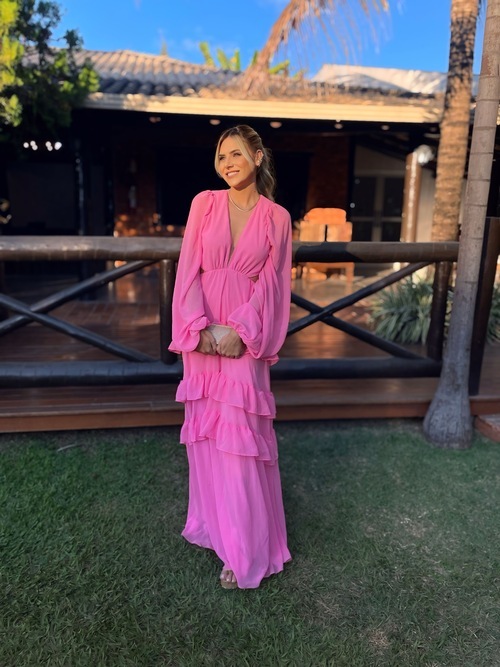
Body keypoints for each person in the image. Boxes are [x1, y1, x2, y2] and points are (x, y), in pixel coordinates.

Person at [168, 124, 292, 589]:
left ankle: (243, 551)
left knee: (240, 439)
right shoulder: (204, 203)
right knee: (208, 437)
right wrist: (196, 327)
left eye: (237, 154)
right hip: (201, 335)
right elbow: (188, 269)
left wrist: (242, 330)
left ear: (258, 157)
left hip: (247, 334)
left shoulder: (277, 217)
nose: (228, 163)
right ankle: (214, 528)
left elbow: (274, 284)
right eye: (222, 156)